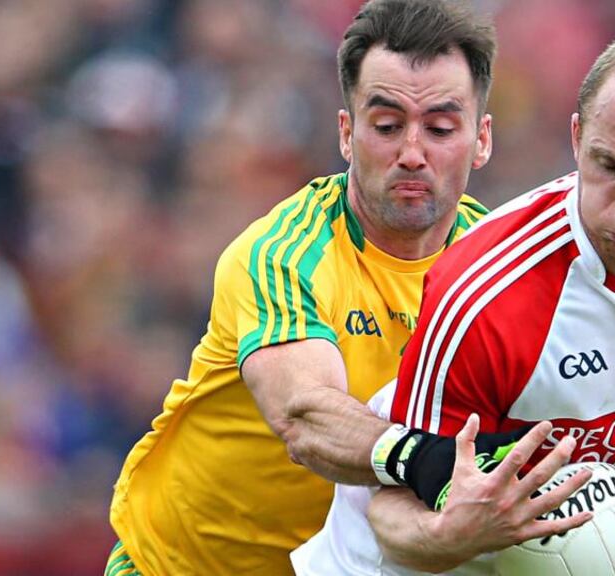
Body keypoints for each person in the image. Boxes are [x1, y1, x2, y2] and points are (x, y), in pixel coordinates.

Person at [292, 29, 615, 575]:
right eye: (609, 165)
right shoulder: (485, 294)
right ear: (576, 139)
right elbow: (392, 509)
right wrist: (453, 535)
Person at [103, 2, 582, 574]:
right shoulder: (283, 254)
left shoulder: (507, 270)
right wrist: (426, 461)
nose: (411, 153)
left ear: (481, 140)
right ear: (347, 134)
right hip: (179, 566)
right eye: (386, 126)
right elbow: (304, 418)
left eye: (439, 128)